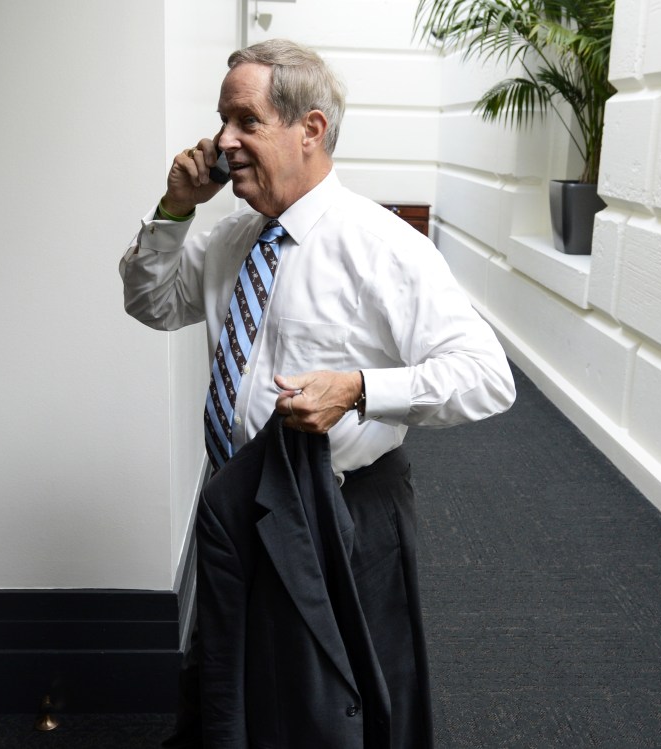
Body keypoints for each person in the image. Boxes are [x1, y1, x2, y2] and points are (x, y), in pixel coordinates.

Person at [121, 38, 516, 749]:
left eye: (245, 120)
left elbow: (487, 375)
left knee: (337, 704)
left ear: (311, 128)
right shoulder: (229, 240)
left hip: (341, 509)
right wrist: (175, 207)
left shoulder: (381, 246)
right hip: (240, 497)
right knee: (231, 680)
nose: (222, 141)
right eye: (221, 122)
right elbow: (150, 302)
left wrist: (362, 388)